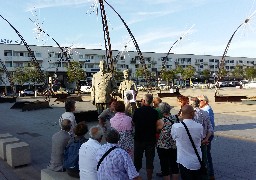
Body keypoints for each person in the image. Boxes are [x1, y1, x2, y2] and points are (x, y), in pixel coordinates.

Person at [132, 94, 162, 180]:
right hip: (150, 139)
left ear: (144, 101)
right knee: (150, 161)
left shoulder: (137, 111)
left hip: (139, 139)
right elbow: (157, 125)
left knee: (137, 161)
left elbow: (133, 123)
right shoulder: (154, 112)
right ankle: (149, 178)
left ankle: (136, 177)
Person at [171, 105, 203, 180]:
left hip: (183, 160)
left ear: (182, 114)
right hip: (197, 160)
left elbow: (173, 138)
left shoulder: (176, 126)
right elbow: (201, 138)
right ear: (193, 113)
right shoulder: (199, 126)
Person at [157, 102, 180, 180]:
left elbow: (157, 130)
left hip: (163, 145)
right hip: (174, 145)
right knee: (174, 165)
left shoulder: (160, 121)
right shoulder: (176, 118)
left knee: (165, 166)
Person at [198, 95, 215, 180]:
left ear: (205, 101)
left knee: (207, 156)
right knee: (206, 155)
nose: (199, 102)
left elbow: (210, 126)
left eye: (200, 100)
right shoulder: (204, 110)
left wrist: (207, 138)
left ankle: (210, 174)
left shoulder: (207, 110)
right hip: (206, 136)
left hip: (207, 137)